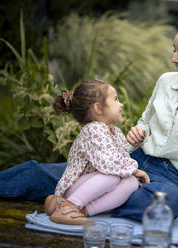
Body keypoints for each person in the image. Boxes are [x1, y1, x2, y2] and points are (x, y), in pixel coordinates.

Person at [0, 18, 178, 225]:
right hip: (131, 157)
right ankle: (78, 200)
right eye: (174, 50)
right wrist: (138, 131)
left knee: (165, 204)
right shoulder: (167, 81)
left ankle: (77, 205)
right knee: (46, 173)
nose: (174, 58)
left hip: (169, 176)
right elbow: (146, 120)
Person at [45, 80, 150, 225]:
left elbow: (120, 160)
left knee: (130, 182)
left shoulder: (116, 132)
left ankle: (81, 211)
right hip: (78, 189)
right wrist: (135, 169)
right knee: (112, 176)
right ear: (99, 109)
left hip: (94, 189)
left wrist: (131, 173)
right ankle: (68, 206)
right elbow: (109, 163)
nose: (121, 105)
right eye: (115, 99)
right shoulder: (93, 130)